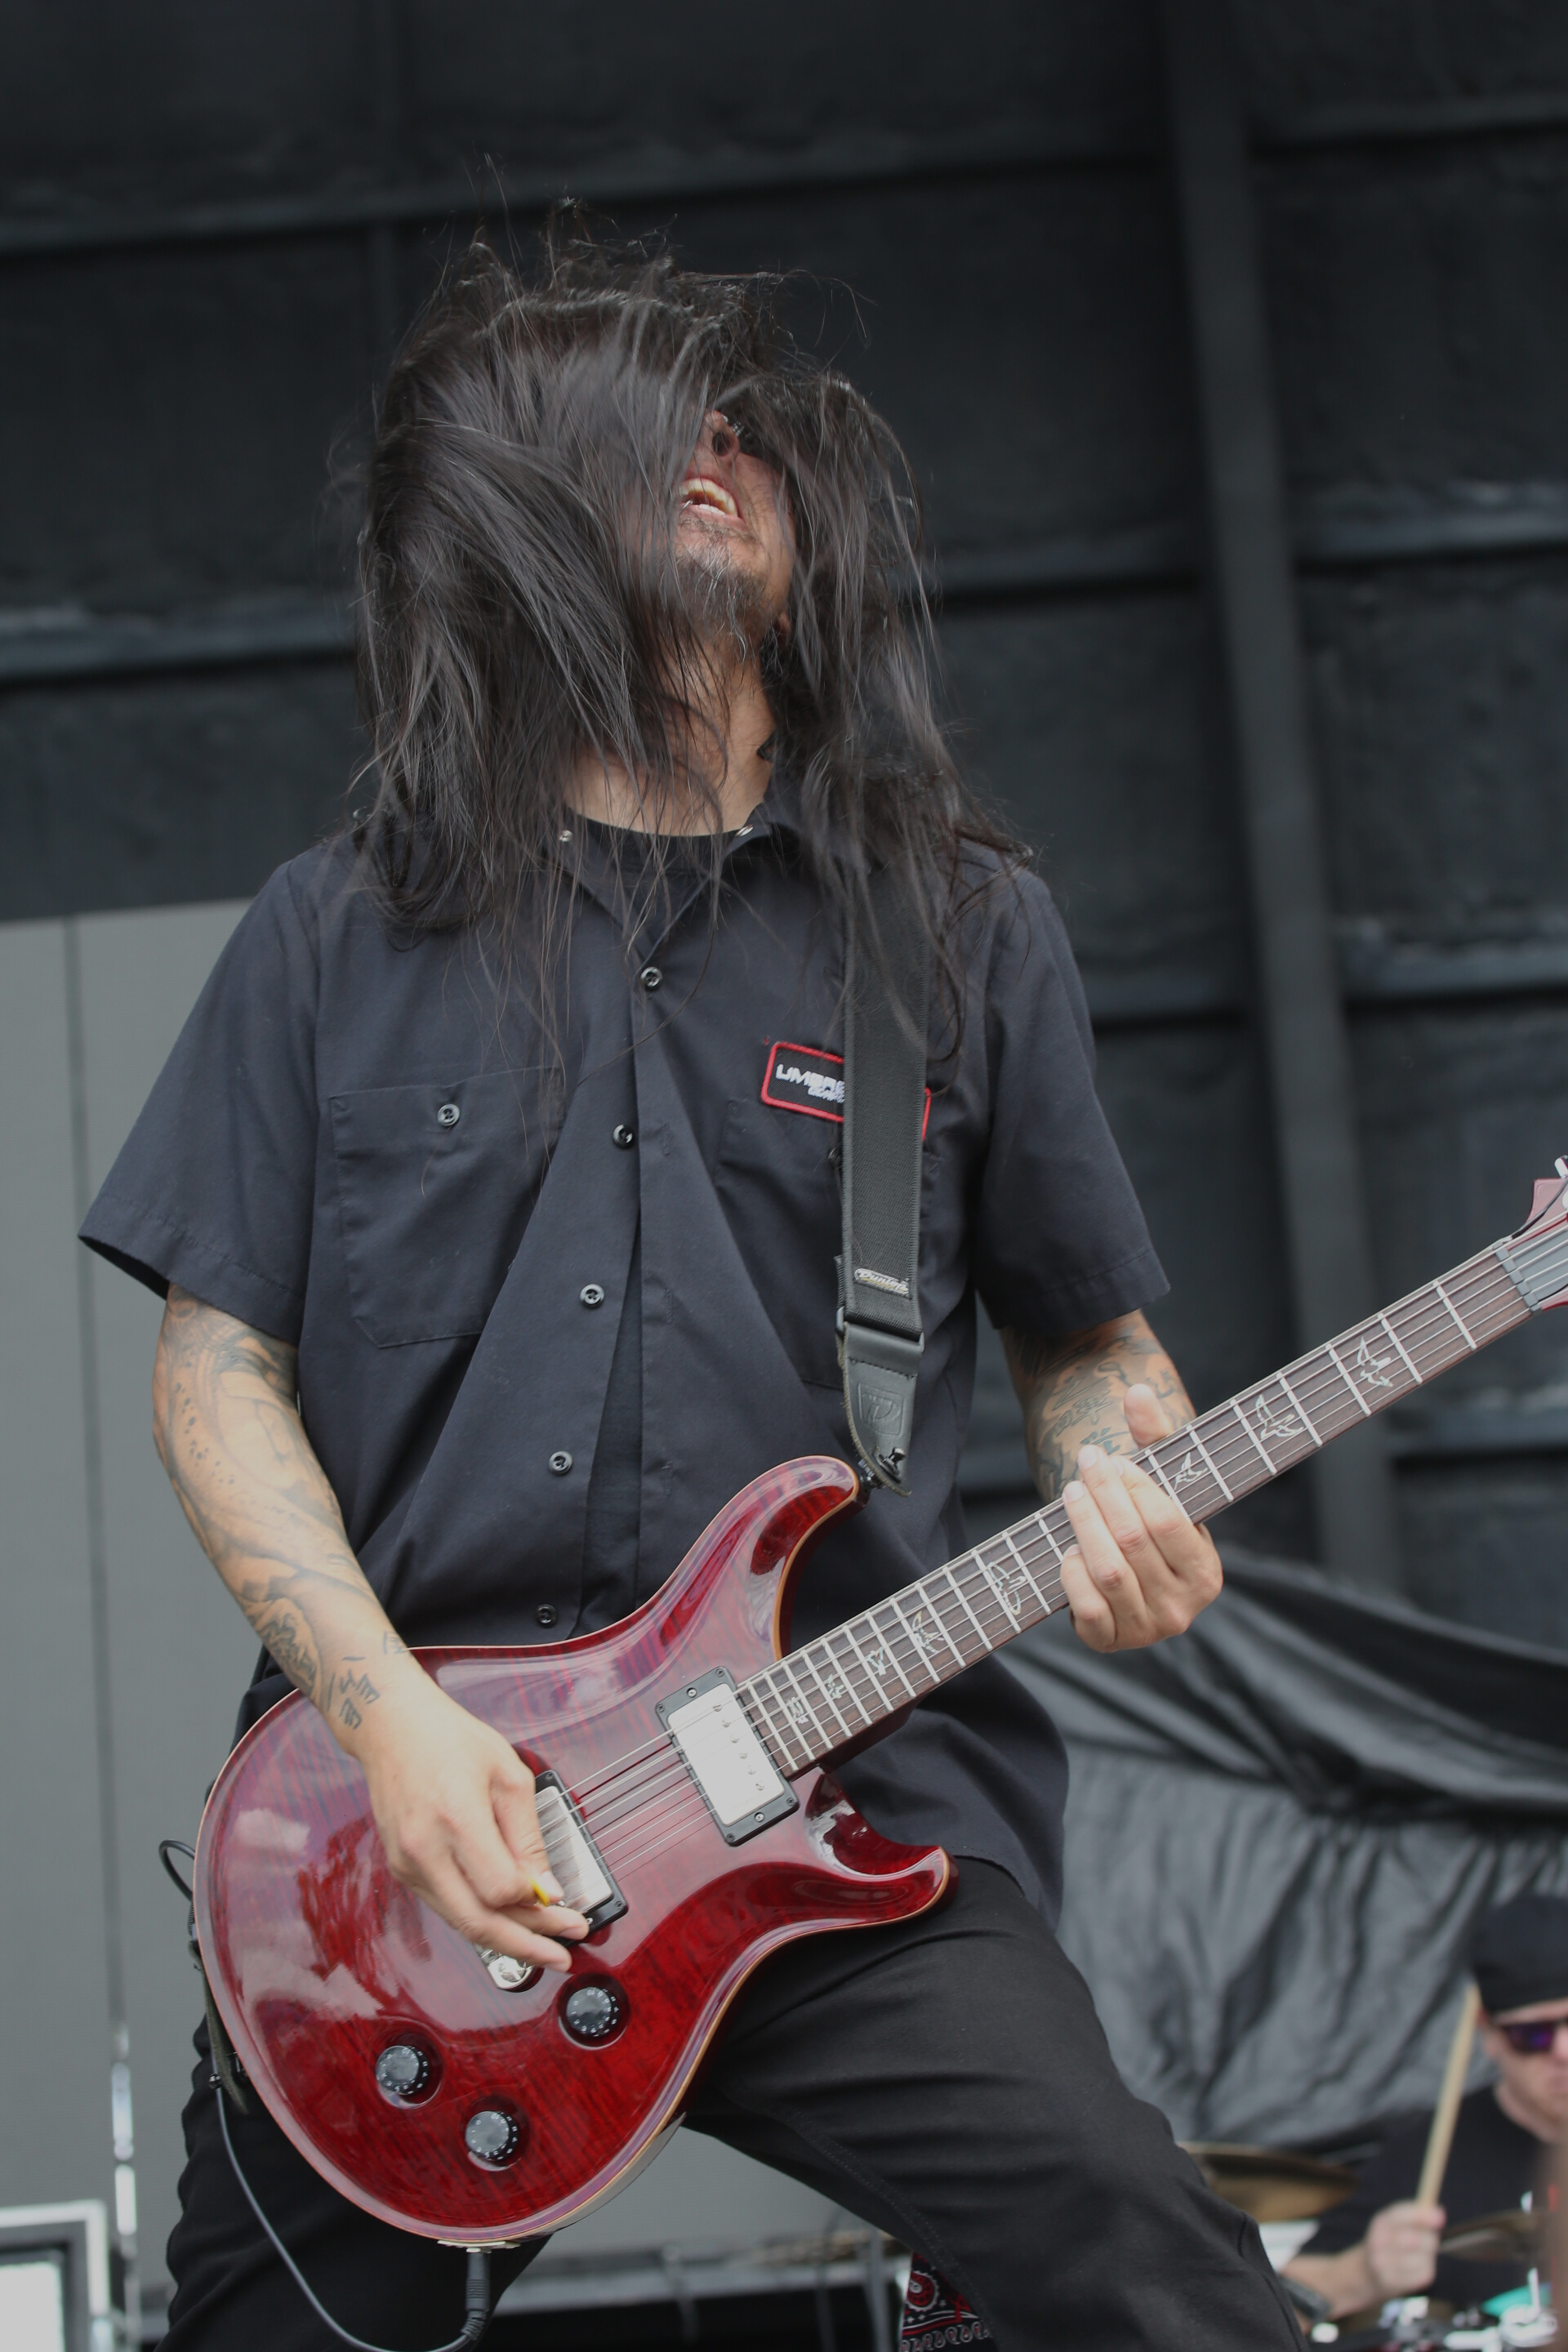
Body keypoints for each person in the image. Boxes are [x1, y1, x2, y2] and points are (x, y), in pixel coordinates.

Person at [82, 236, 1303, 2351]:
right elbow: (215, 1373)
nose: (718, 455)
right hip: (411, 1844)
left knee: (1151, 2266)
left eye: (740, 425)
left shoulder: (958, 928)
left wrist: (1124, 1480)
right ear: (514, 519)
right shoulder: (333, 934)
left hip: (847, 1801)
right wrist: (386, 1720)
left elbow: (1089, 1345)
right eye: (651, 435)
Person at [1285, 1892, 1568, 2320]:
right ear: (1488, 2034)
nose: (1563, 2051)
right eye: (1533, 2036)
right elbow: (1273, 2311)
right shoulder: (1425, 2156)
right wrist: (1359, 2274)